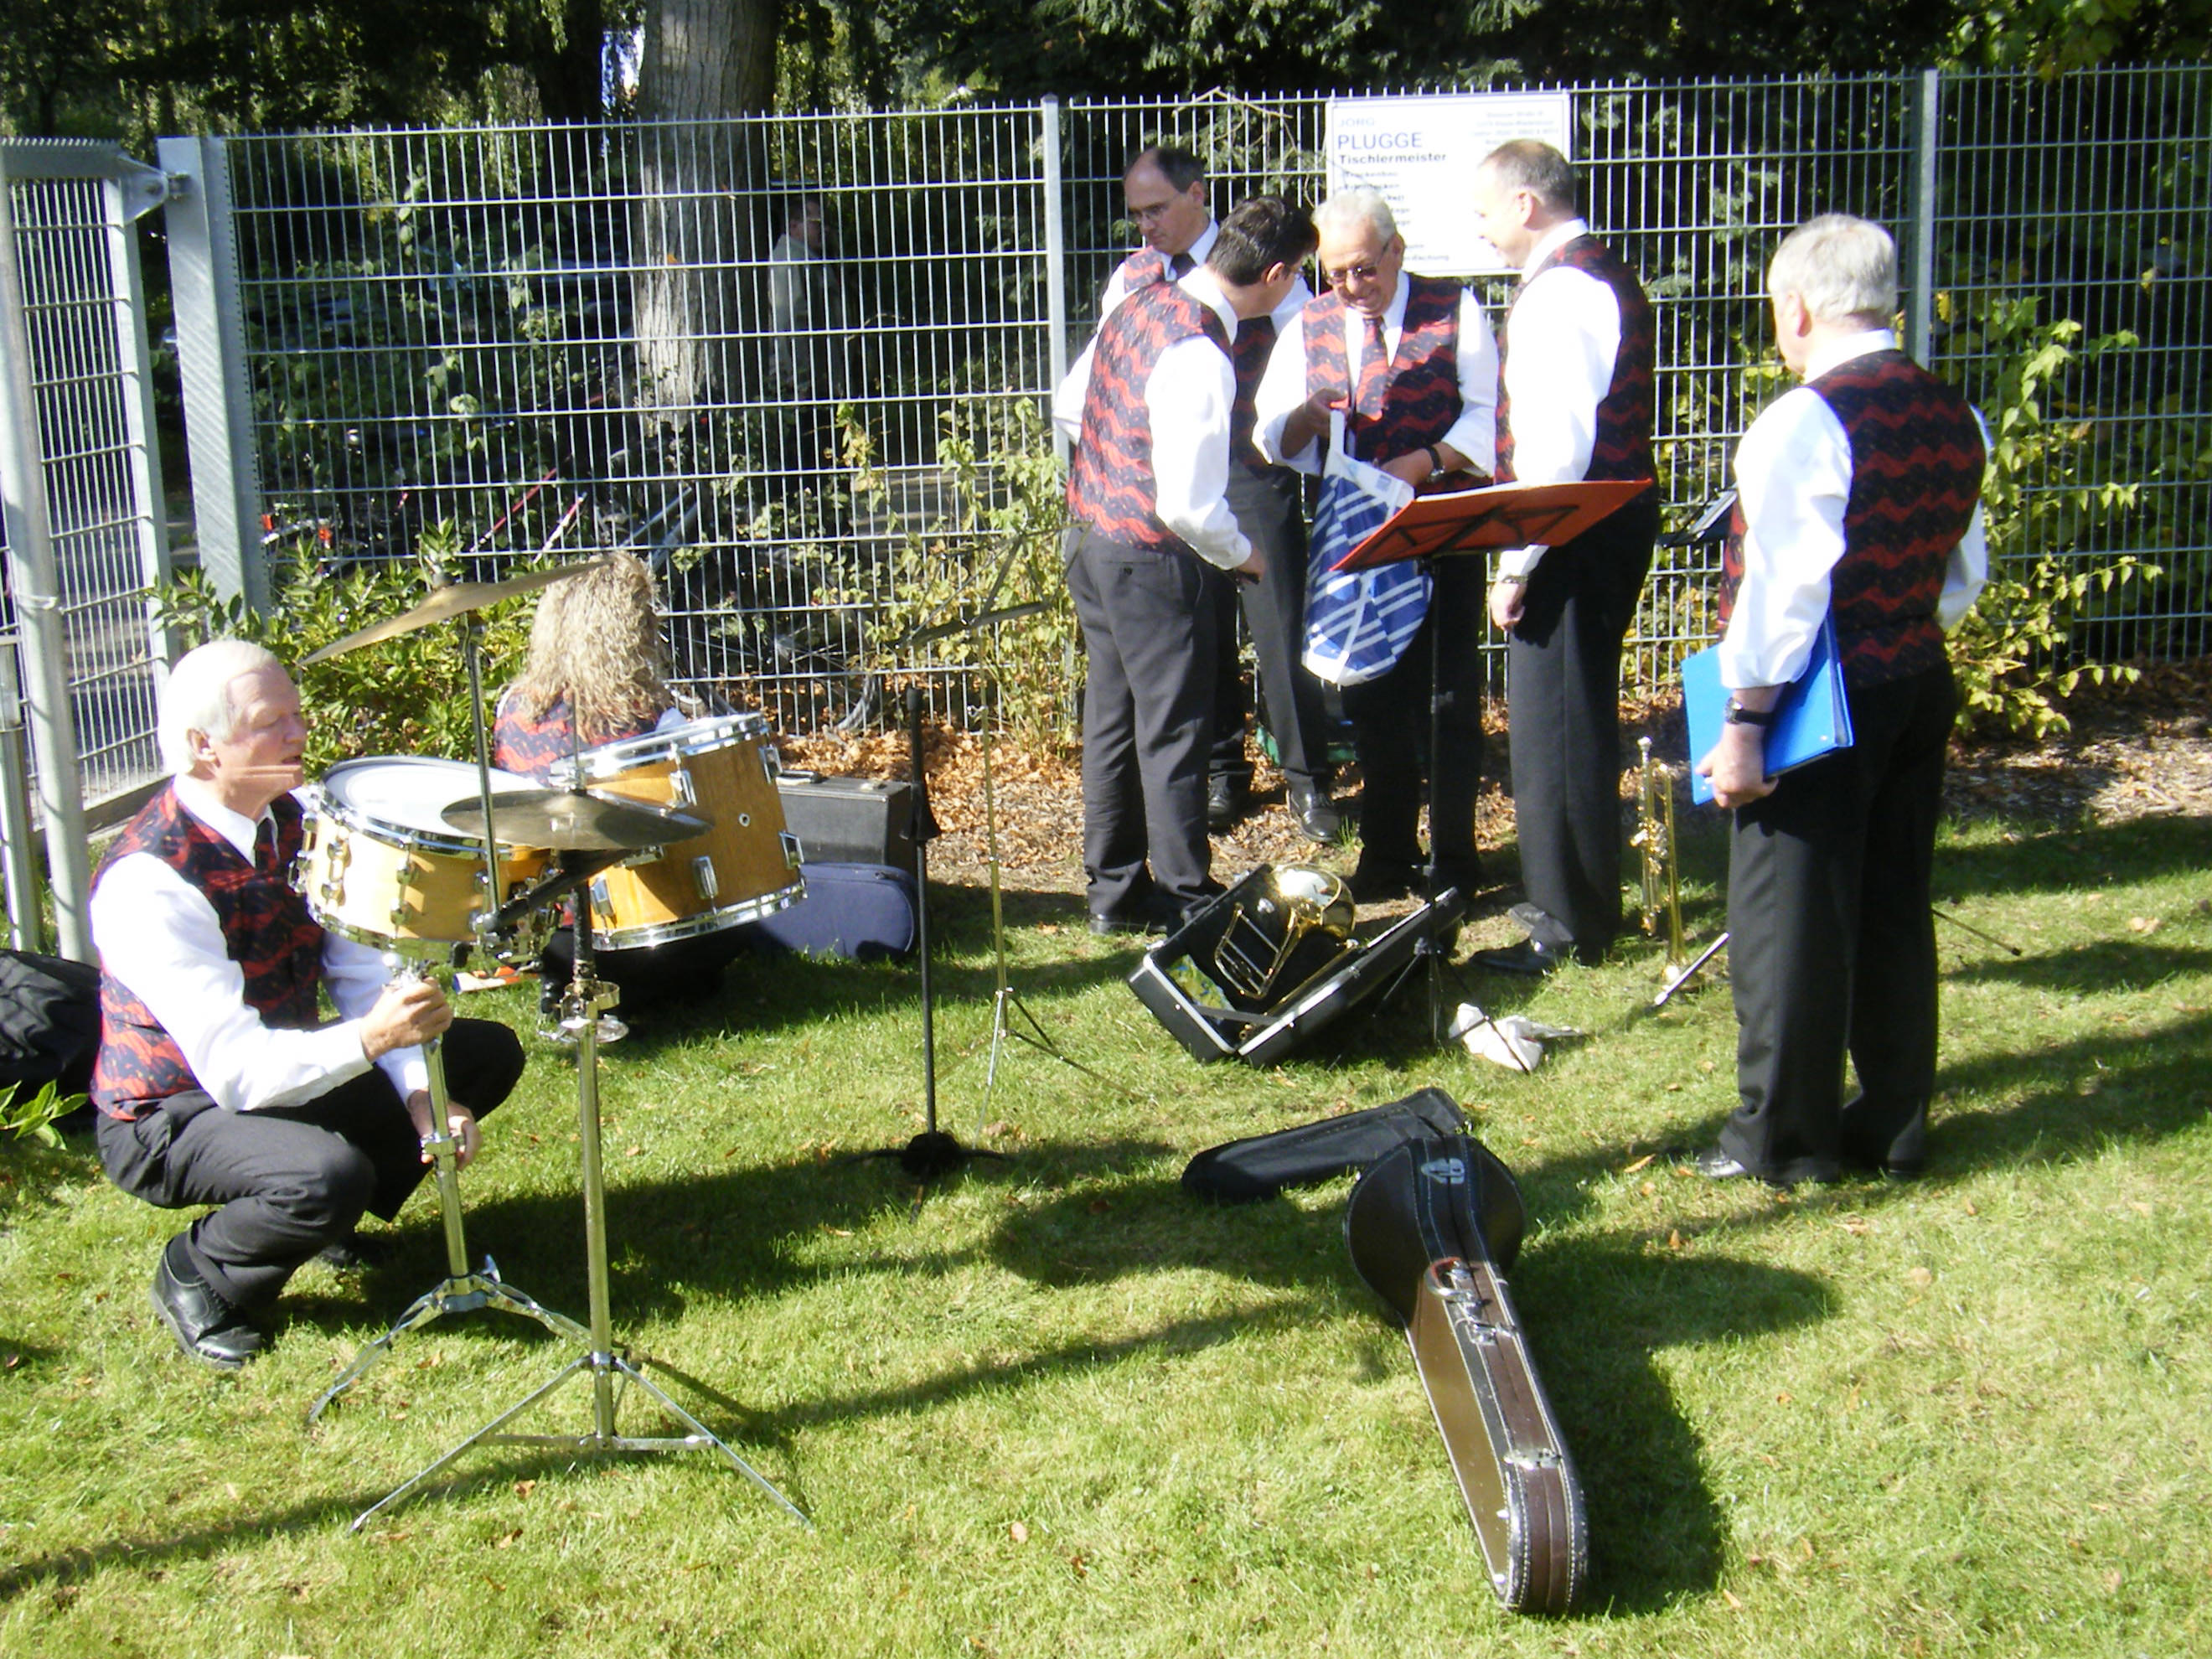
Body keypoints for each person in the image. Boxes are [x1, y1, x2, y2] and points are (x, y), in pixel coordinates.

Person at [90, 640, 524, 1369]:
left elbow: (356, 974)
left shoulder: (297, 819)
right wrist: (373, 1040)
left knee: (478, 1056)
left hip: (269, 1070)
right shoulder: (151, 880)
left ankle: (322, 1224)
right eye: (272, 722)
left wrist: (420, 1092)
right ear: (203, 746)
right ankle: (204, 1269)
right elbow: (237, 1073)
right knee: (325, 1175)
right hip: (169, 1112)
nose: (299, 733)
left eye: (297, 714)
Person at [1693, 214, 1988, 1186]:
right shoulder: (1954, 411)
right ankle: (1895, 1124)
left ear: (1797, 307)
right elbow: (1963, 573)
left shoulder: (1803, 421)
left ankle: (1784, 1143)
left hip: (1824, 690)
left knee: (1788, 918)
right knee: (1894, 904)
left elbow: (1784, 592)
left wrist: (1745, 723)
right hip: (1917, 671)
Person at [1057, 147, 1343, 844]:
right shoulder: (1135, 278)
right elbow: (1088, 389)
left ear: (1197, 195)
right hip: (1164, 477)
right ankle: (1221, 770)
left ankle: (1307, 777)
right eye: (1136, 215)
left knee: (1278, 619)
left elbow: (1304, 357)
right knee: (1194, 623)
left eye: (1156, 209)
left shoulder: (1267, 266)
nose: (1146, 226)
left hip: (1249, 459)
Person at [1253, 187, 1500, 902]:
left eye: (1365, 268)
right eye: (1336, 273)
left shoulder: (1456, 309)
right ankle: (1388, 856)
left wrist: (1429, 460)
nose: (1353, 286)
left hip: (1444, 529)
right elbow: (1270, 435)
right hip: (1358, 536)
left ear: (1396, 251)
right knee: (1375, 701)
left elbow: (1489, 411)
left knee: (1447, 699)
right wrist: (1305, 417)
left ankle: (1454, 861)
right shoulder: (1311, 323)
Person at [1470, 139, 1660, 974]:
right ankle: (1580, 904)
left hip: (1574, 526)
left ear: (1525, 203)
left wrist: (1517, 564)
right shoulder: (1600, 271)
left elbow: (1557, 449)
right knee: (1573, 715)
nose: (1481, 230)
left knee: (1555, 725)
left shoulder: (1558, 290)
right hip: (1605, 515)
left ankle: (1567, 922)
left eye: (1484, 212)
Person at [493, 550, 743, 1021]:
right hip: (638, 938)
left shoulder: (511, 710)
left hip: (548, 934)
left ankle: (564, 983)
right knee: (736, 915)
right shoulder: (650, 716)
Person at [767, 194, 844, 487]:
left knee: (826, 463)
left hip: (818, 382)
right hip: (805, 388)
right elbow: (789, 324)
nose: (824, 229)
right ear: (794, 225)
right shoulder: (789, 260)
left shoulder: (808, 259)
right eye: (816, 223)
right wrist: (800, 382)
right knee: (810, 467)